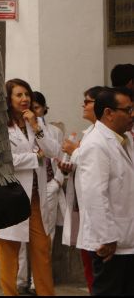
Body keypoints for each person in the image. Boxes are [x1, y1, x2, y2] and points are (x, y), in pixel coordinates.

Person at [0, 78, 59, 296]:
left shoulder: (35, 123)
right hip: (11, 197)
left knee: (42, 251)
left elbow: (52, 151)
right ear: (8, 99)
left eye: (27, 95)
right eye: (19, 95)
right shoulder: (0, 125)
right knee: (9, 253)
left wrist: (37, 127)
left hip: (35, 198)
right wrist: (34, 158)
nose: (25, 99)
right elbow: (3, 159)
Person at [75, 87, 134, 295]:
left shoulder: (126, 140)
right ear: (109, 113)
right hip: (110, 245)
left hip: (127, 239)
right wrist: (106, 237)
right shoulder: (96, 144)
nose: (132, 115)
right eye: (127, 110)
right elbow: (94, 194)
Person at [16, 91, 66, 294]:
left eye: (37, 107)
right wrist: (34, 157)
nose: (32, 111)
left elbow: (58, 154)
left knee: (46, 236)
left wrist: (56, 182)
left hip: (47, 186)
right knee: (19, 237)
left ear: (44, 109)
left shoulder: (51, 130)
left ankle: (38, 282)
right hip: (25, 189)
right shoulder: (16, 129)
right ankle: (20, 280)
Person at [58, 85, 104, 293]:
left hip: (100, 209)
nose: (83, 105)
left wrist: (74, 151)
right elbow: (83, 164)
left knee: (99, 261)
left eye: (87, 101)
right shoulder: (87, 133)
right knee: (87, 255)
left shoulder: (105, 135)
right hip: (82, 202)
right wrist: (67, 166)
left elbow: (96, 161)